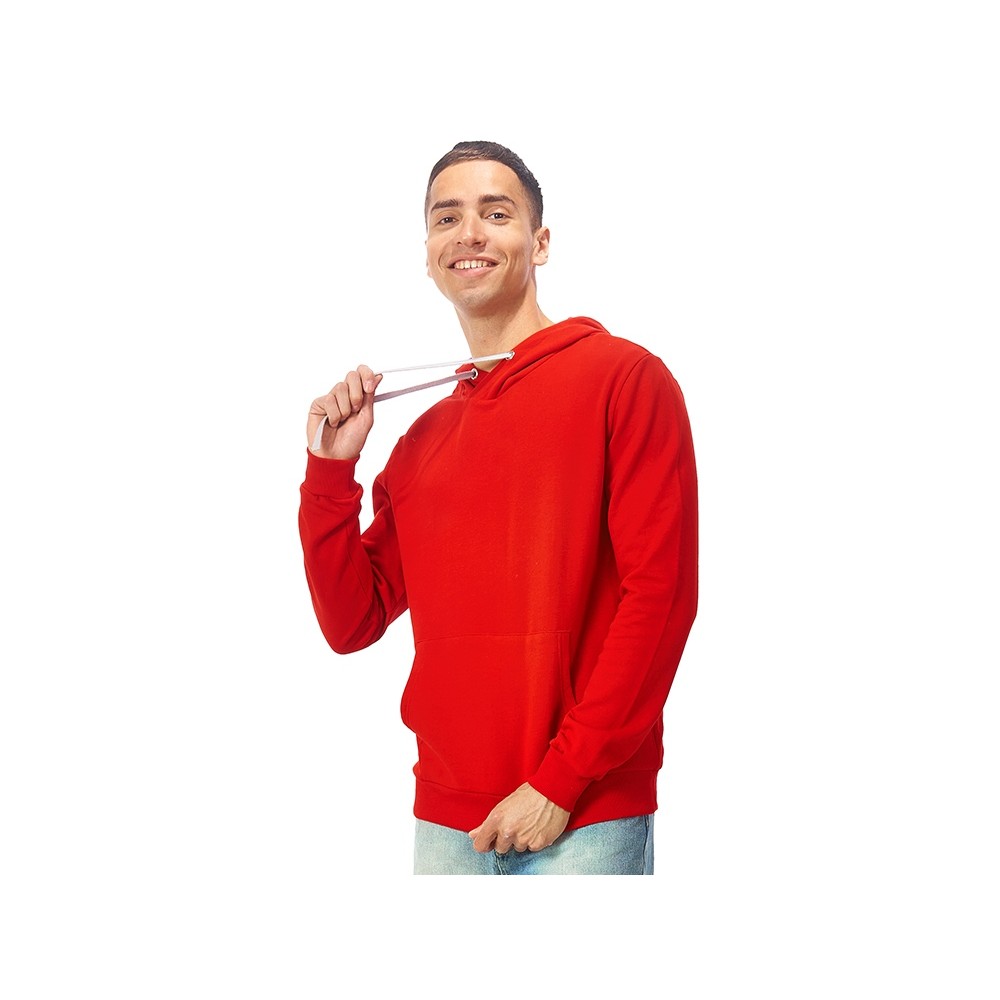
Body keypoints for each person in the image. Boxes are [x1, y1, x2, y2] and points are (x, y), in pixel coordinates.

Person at [299, 141, 698, 875]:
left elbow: (661, 598)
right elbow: (351, 622)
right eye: (446, 217)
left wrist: (560, 782)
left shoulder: (625, 379)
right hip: (446, 822)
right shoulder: (423, 440)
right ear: (429, 255)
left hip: (582, 816)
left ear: (539, 242)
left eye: (496, 212)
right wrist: (329, 470)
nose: (469, 233)